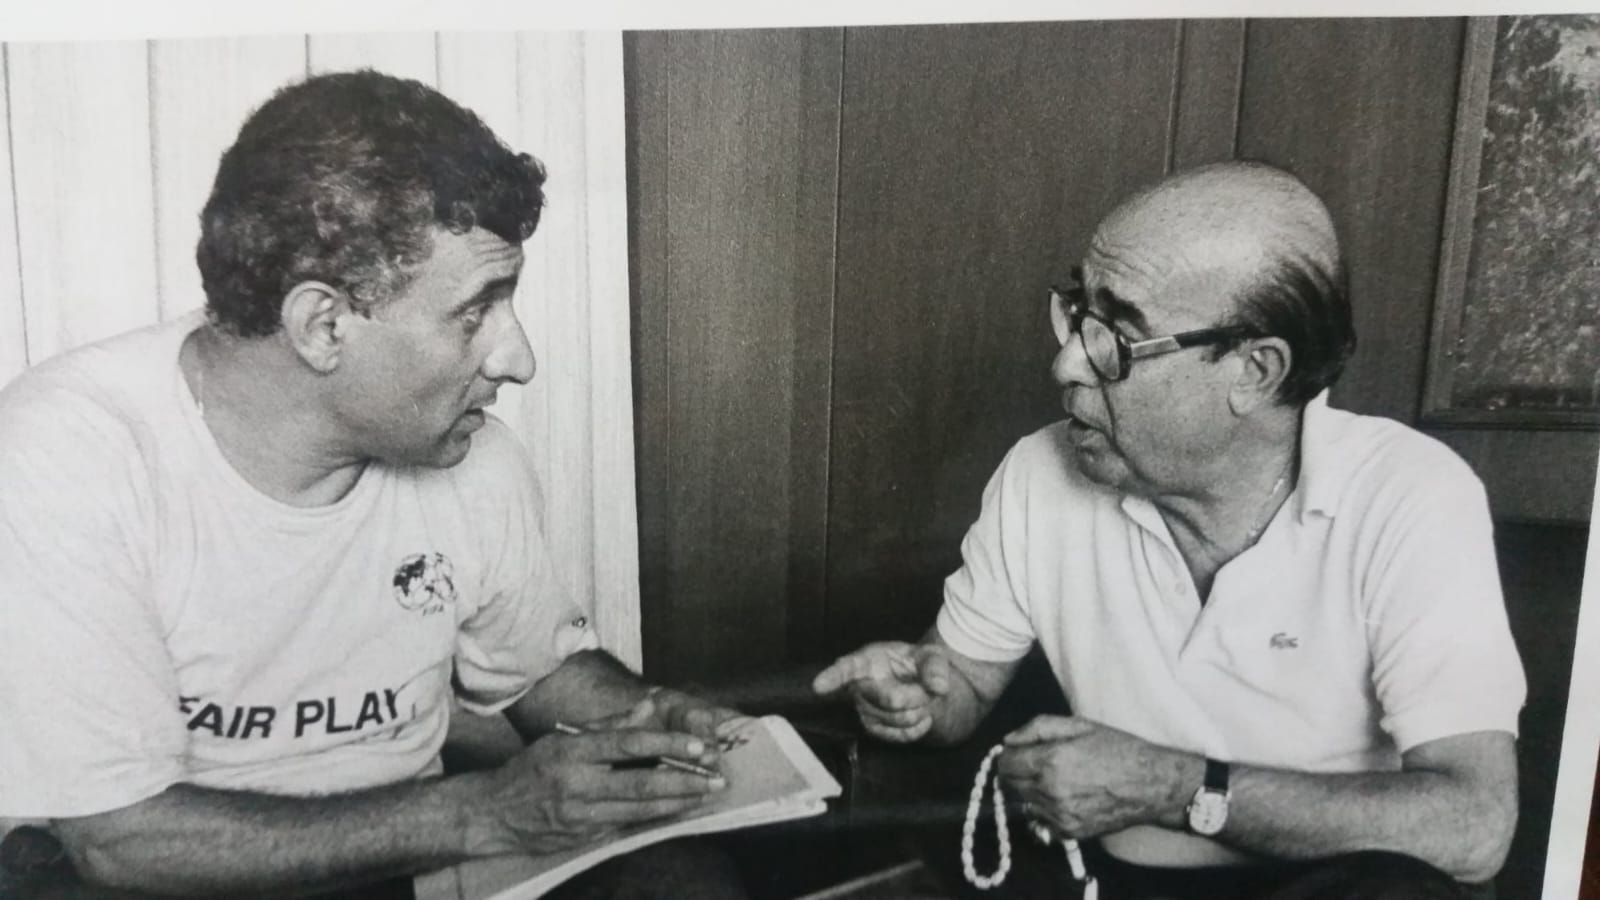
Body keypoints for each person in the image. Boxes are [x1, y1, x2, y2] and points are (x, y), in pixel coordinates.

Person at [0, 70, 745, 898]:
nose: (518, 359)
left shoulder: (469, 453)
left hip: (401, 858)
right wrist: (484, 814)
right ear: (323, 326)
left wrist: (654, 722)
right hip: (147, 880)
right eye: (475, 313)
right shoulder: (69, 453)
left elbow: (536, 672)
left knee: (685, 883)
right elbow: (119, 838)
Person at [813, 161, 1526, 900]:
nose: (1066, 363)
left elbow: (1474, 826)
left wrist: (1174, 787)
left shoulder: (1409, 494)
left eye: (1117, 338)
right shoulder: (1040, 473)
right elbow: (959, 681)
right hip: (1114, 883)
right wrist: (917, 700)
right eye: (1076, 313)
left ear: (1254, 372)